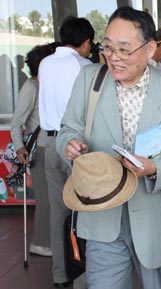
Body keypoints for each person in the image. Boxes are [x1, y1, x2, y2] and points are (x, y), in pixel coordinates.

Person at [56, 6, 161, 289]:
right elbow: (68, 129)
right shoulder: (89, 81)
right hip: (102, 214)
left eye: (124, 49)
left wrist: (154, 168)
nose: (114, 57)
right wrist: (69, 145)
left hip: (156, 218)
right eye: (108, 48)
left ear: (149, 49)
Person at [38, 16, 94, 288]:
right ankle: (83, 275)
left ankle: (61, 277)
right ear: (85, 43)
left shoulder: (45, 63)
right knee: (85, 209)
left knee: (58, 211)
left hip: (50, 144)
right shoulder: (84, 66)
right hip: (76, 146)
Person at [10, 43, 58, 258]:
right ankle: (40, 242)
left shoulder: (48, 85)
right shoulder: (31, 87)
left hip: (52, 147)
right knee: (45, 199)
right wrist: (20, 147)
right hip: (38, 149)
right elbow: (16, 122)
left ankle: (52, 240)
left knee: (54, 199)